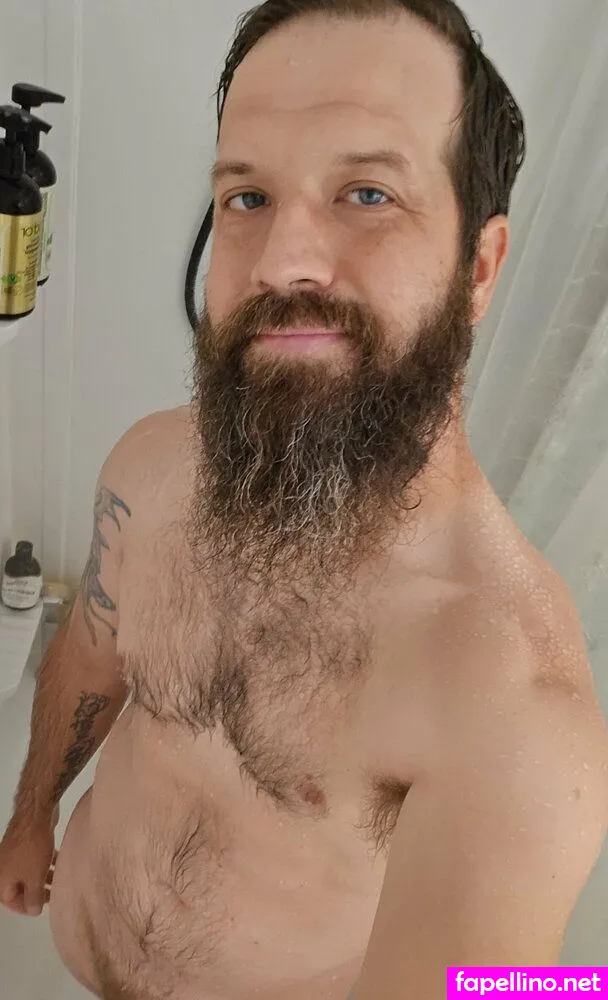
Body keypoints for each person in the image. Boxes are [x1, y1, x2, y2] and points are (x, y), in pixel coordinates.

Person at [1, 1, 607, 998]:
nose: (282, 260)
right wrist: (30, 817)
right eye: (247, 196)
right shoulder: (150, 469)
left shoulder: (513, 706)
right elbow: (90, 653)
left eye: (367, 192)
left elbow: (498, 983)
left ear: (479, 266)